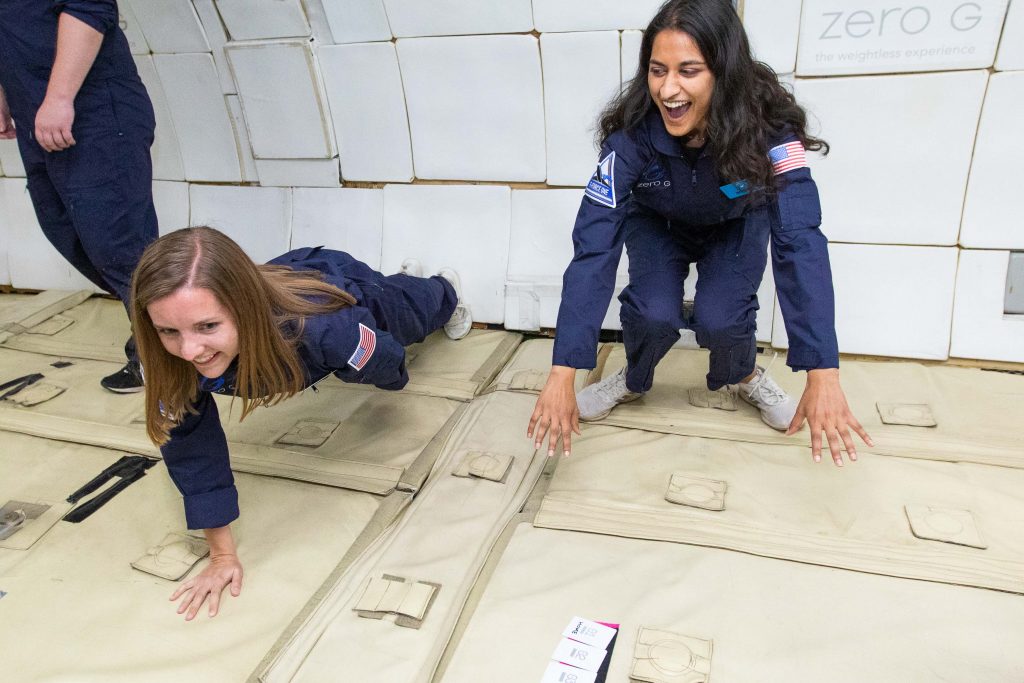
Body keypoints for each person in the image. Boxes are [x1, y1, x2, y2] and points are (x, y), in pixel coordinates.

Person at [527, 0, 873, 466]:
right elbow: (593, 247)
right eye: (657, 70)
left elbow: (801, 237)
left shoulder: (772, 131)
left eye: (688, 71)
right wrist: (562, 371)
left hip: (735, 222)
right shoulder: (630, 138)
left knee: (721, 318)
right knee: (652, 313)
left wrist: (823, 371)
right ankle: (634, 376)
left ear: (724, 71)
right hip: (658, 224)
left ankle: (744, 374)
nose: (668, 89)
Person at [130, 227, 472, 620]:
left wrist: (390, 377)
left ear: (244, 308)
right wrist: (222, 554)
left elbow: (385, 361)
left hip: (337, 287)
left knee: (407, 318)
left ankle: (442, 289)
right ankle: (401, 281)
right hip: (286, 288)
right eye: (169, 330)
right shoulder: (155, 352)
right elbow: (190, 447)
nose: (189, 350)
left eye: (208, 327)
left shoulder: (327, 329)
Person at [0, 0, 157, 393]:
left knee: (119, 245)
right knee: (65, 231)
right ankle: (159, 335)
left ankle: (165, 356)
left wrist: (59, 98)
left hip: (94, 113)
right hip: (35, 116)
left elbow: (90, 8)